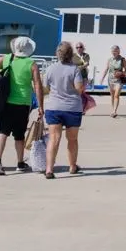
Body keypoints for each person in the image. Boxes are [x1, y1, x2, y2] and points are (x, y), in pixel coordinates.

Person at [0, 36, 43, 176]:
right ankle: (20, 163)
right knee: (19, 135)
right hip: (23, 103)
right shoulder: (32, 63)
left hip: (6, 102)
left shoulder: (7, 58)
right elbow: (37, 85)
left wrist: (0, 73)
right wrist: (41, 106)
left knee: (2, 132)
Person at [43, 41, 84, 179]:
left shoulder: (50, 68)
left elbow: (46, 88)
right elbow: (79, 89)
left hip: (54, 107)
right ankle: (72, 166)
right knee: (72, 139)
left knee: (53, 139)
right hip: (72, 108)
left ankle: (49, 169)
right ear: (71, 54)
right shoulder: (75, 70)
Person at [101, 45, 126, 118]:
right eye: (113, 51)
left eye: (115, 51)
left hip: (119, 80)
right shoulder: (109, 59)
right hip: (110, 80)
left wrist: (121, 73)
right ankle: (113, 110)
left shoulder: (122, 59)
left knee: (116, 95)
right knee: (112, 96)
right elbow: (106, 69)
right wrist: (102, 78)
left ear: (119, 51)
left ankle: (115, 111)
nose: (114, 52)